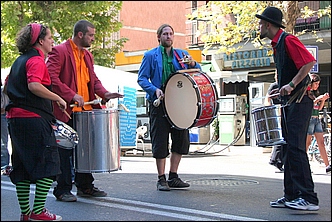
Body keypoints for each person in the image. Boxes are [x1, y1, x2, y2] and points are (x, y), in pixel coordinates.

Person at [46, 20, 124, 202]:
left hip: (85, 111)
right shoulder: (60, 51)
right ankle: (63, 189)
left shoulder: (87, 55)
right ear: (80, 34)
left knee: (85, 150)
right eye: (91, 35)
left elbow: (93, 80)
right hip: (66, 111)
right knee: (65, 152)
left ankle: (85, 186)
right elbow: (51, 78)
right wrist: (71, 95)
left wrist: (105, 93)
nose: (93, 38)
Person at [256, 6, 319, 211]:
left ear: (267, 24)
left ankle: (308, 197)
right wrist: (281, 90)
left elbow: (308, 62)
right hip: (291, 102)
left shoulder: (288, 40)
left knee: (296, 148)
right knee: (288, 147)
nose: (258, 27)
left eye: (260, 23)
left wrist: (291, 85)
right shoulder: (277, 44)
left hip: (301, 101)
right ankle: (291, 194)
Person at [5, 23, 65, 221]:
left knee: (21, 165)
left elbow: (7, 88)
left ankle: (25, 213)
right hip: (33, 120)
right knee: (49, 164)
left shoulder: (18, 61)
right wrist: (56, 98)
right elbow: (34, 85)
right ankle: (38, 211)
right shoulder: (37, 61)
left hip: (15, 120)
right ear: (40, 41)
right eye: (49, 38)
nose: (52, 41)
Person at [137, 24, 201, 191]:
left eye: (171, 33)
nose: (168, 36)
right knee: (160, 141)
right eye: (165, 34)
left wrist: (194, 63)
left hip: (179, 103)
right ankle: (161, 178)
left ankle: (173, 176)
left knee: (181, 140)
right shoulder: (150, 55)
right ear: (159, 37)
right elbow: (142, 79)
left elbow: (197, 72)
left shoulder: (182, 55)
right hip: (159, 104)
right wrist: (154, 90)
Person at [305, 73, 331, 173]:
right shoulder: (307, 93)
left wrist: (323, 100)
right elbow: (309, 105)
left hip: (316, 120)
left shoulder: (315, 94)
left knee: (321, 143)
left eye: (318, 84)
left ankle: (327, 165)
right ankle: (303, 164)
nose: (317, 86)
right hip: (310, 119)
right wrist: (318, 99)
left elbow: (319, 108)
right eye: (316, 83)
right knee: (307, 143)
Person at [264, 72, 284, 172]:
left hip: (283, 112)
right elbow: (267, 98)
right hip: (278, 113)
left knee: (282, 138)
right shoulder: (274, 86)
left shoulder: (284, 84)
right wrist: (270, 111)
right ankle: (275, 160)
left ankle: (277, 160)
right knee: (280, 138)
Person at [1, 80, 10, 168]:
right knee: (3, 142)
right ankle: (4, 164)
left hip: (10, 114)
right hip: (3, 115)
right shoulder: (2, 91)